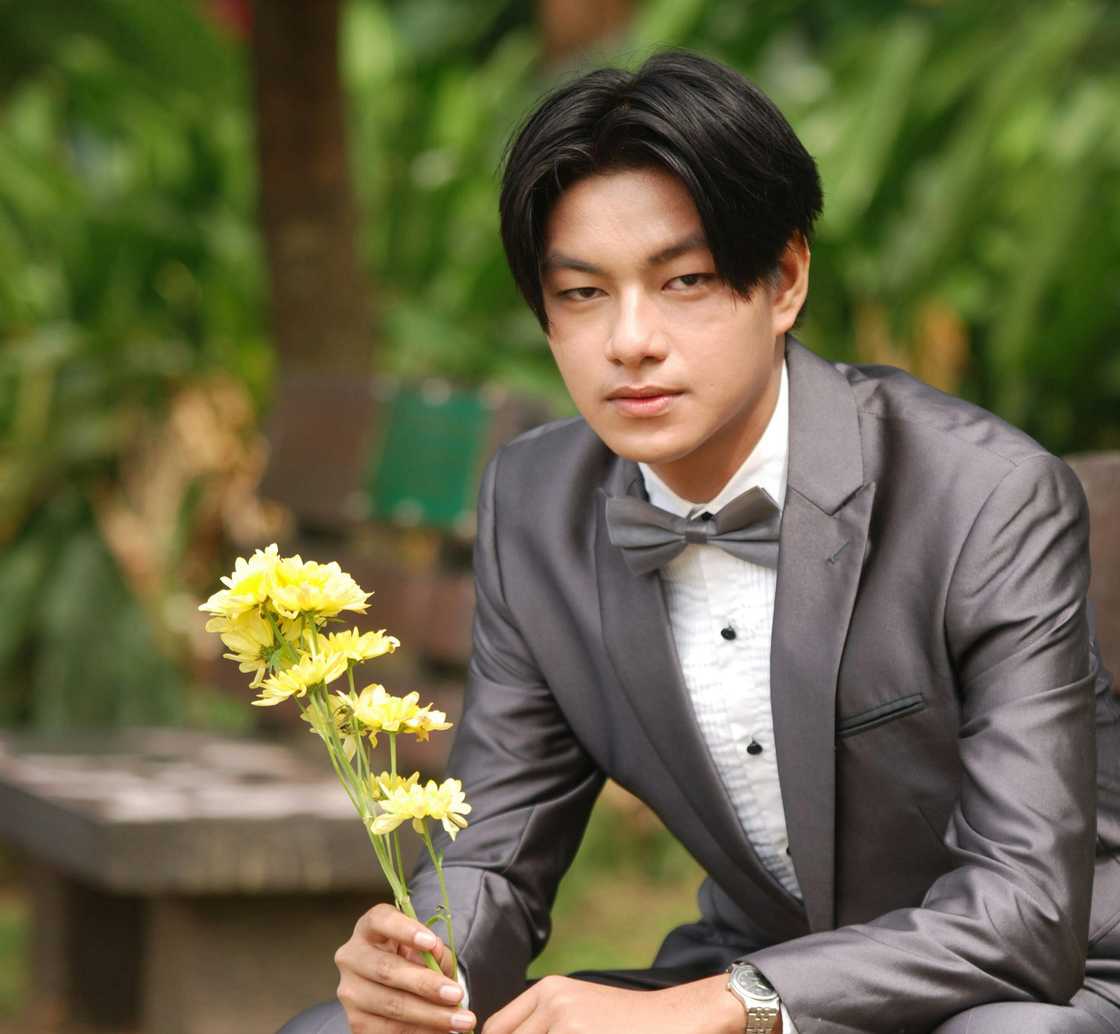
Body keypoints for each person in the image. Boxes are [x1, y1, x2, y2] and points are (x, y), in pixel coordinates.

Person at [279, 50, 1120, 1034]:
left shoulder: (983, 494)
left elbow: (1023, 912)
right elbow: (493, 850)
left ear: (784, 280)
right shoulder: (536, 504)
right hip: (742, 970)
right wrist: (423, 961)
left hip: (1036, 979)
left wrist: (734, 1001)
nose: (630, 340)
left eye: (683, 281)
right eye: (582, 293)